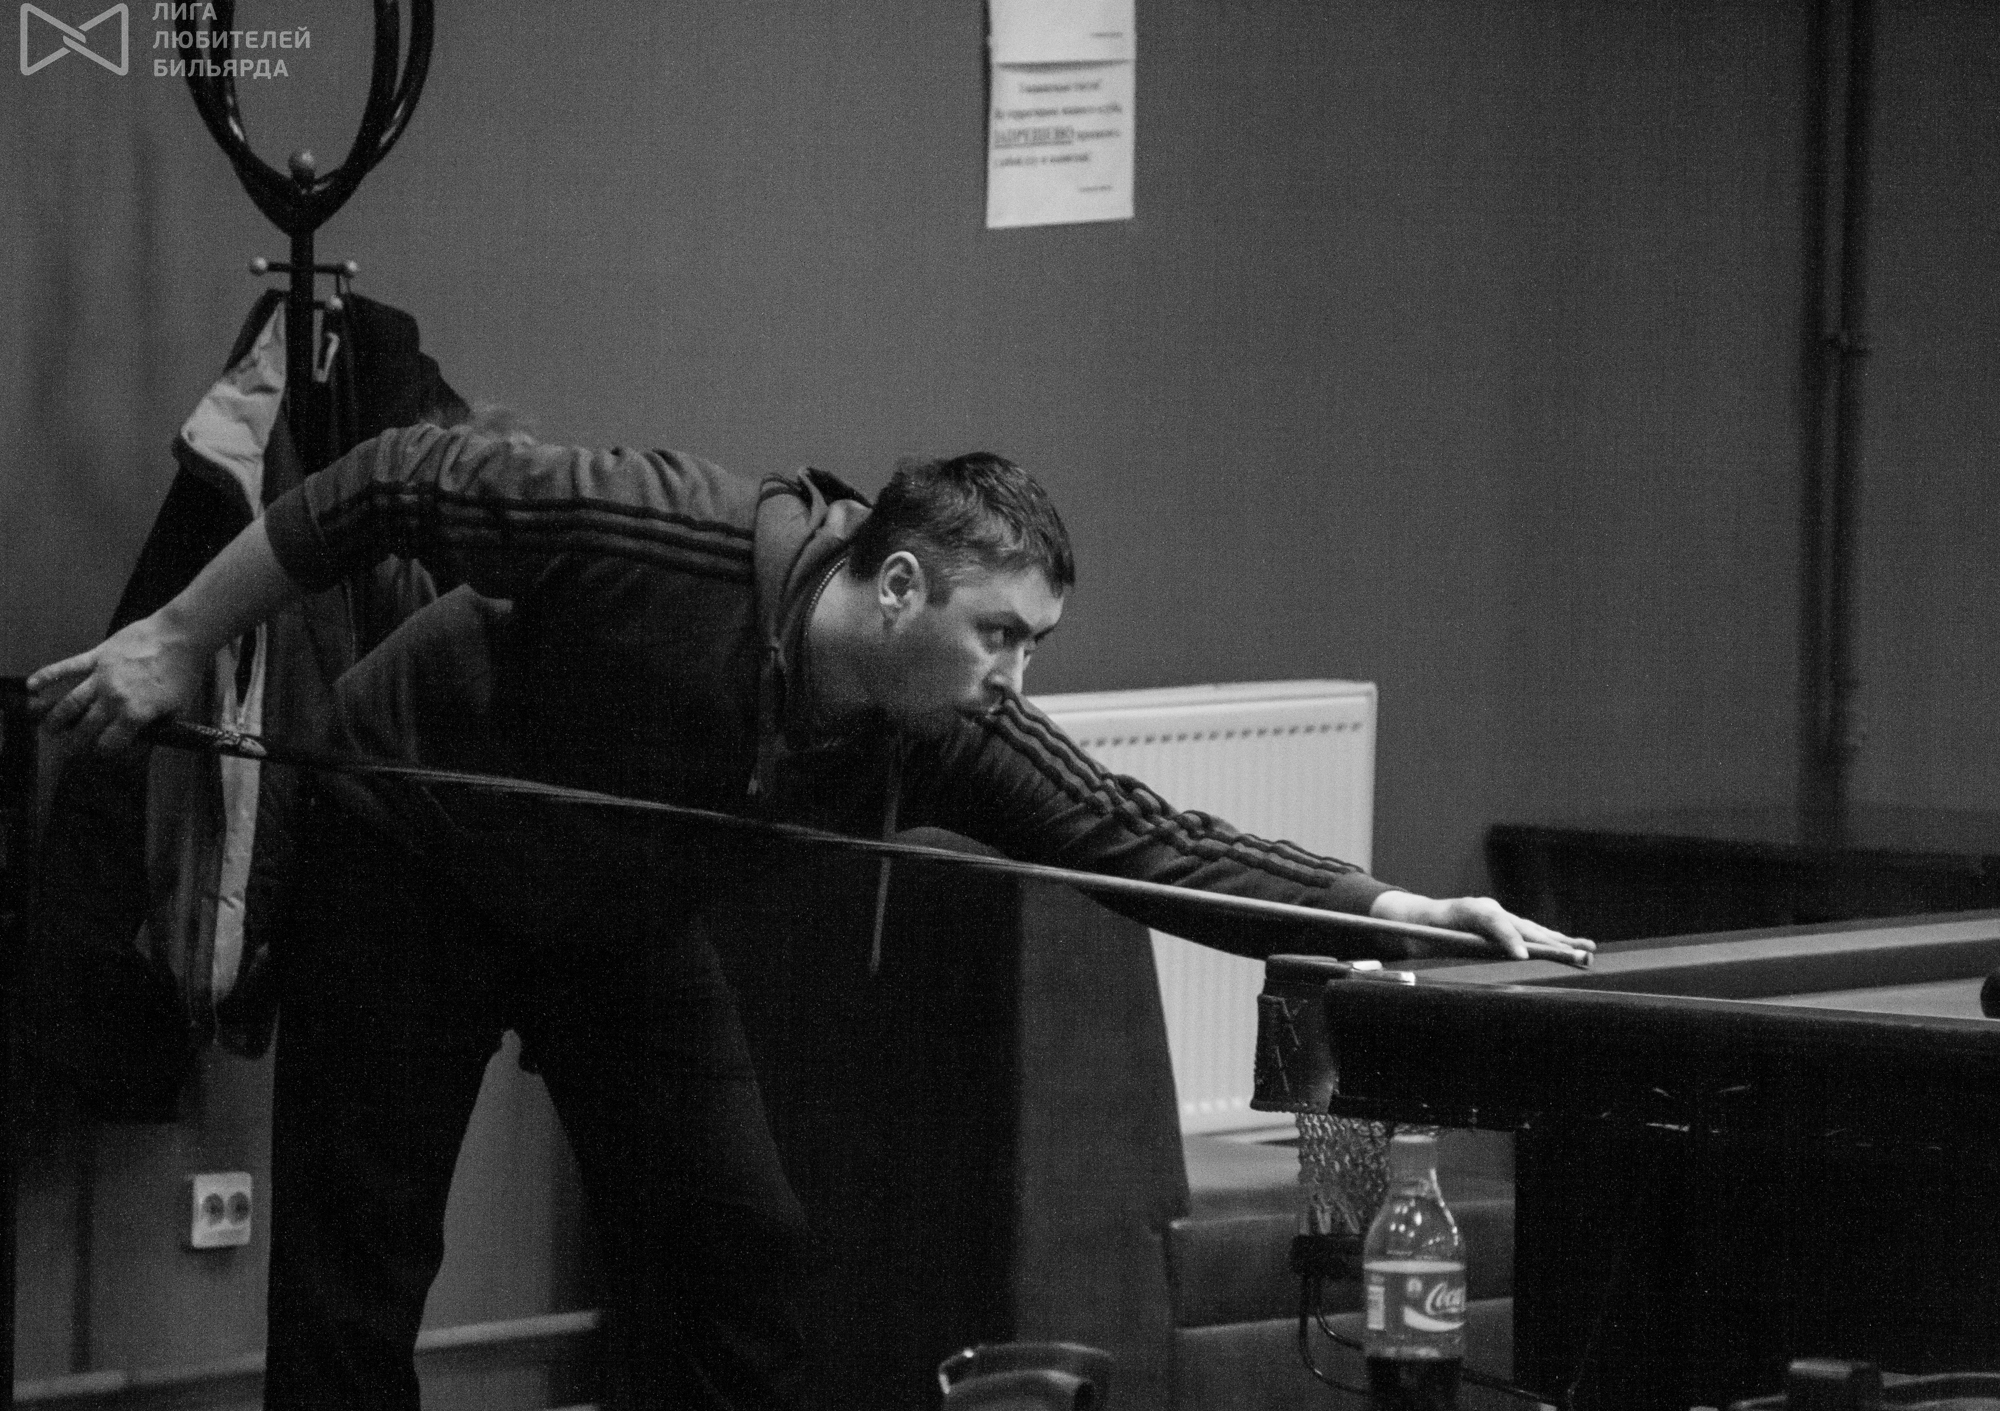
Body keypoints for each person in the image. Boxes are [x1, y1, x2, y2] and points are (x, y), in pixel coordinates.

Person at [29, 424, 1590, 1410]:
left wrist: (1393, 908)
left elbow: (1140, 838)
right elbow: (388, 477)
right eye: (1000, 635)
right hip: (412, 848)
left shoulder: (941, 727)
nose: (1014, 678)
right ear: (897, 587)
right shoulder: (664, 535)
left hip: (616, 919)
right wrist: (173, 639)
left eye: (1033, 646)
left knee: (741, 1248)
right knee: (358, 1285)